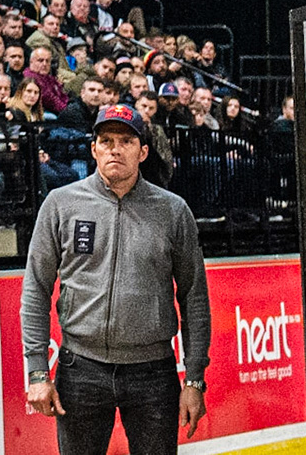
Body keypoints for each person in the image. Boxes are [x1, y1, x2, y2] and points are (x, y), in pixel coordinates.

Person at [23, 104, 209, 455]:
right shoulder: (61, 204)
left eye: (126, 141)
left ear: (143, 152)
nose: (115, 149)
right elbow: (35, 288)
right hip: (80, 369)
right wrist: (36, 372)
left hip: (154, 374)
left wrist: (195, 378)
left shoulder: (173, 210)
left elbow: (194, 297)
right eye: (106, 140)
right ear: (93, 149)